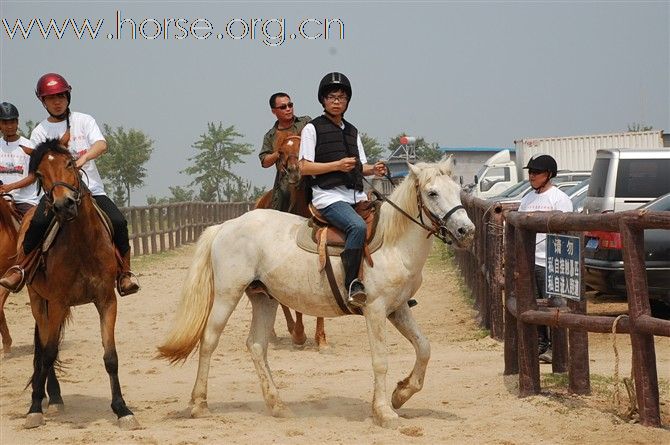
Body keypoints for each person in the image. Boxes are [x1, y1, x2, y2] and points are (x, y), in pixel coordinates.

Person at [0, 73, 140, 296]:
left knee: (119, 222)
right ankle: (21, 269)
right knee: (35, 227)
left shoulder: (84, 120)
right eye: (51, 98)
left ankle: (125, 273)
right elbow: (36, 166)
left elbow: (101, 144)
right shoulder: (39, 132)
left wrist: (82, 159)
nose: (57, 102)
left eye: (61, 96)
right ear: (43, 102)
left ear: (68, 96)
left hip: (91, 190)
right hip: (54, 195)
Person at [298, 72, 386, 308]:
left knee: (387, 221)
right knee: (356, 226)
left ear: (348, 101)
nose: (337, 101)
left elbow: (360, 166)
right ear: (323, 100)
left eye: (342, 97)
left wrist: (373, 169)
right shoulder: (311, 129)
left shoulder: (353, 131)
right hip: (328, 196)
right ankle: (352, 283)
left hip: (355, 195)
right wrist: (336, 165)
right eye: (332, 96)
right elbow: (304, 167)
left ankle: (389, 287)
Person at [517, 154, 573, 363]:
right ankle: (541, 343)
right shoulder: (527, 199)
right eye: (530, 172)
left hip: (550, 261)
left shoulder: (559, 199)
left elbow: (566, 231)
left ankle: (557, 348)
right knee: (534, 305)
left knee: (554, 305)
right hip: (531, 261)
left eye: (536, 172)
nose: (531, 176)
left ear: (548, 174)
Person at [259, 92, 311, 211]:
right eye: (283, 107)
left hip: (310, 171)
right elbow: (264, 162)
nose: (288, 109)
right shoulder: (270, 136)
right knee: (281, 197)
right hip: (286, 179)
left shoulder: (306, 122)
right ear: (274, 111)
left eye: (290, 105)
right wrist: (279, 153)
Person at [0, 102, 40, 217]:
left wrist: (10, 187)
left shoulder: (30, 146)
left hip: (25, 200)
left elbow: (33, 177)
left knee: (35, 227)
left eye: (12, 122)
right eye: (5, 123)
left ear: (17, 122)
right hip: (2, 199)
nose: (9, 126)